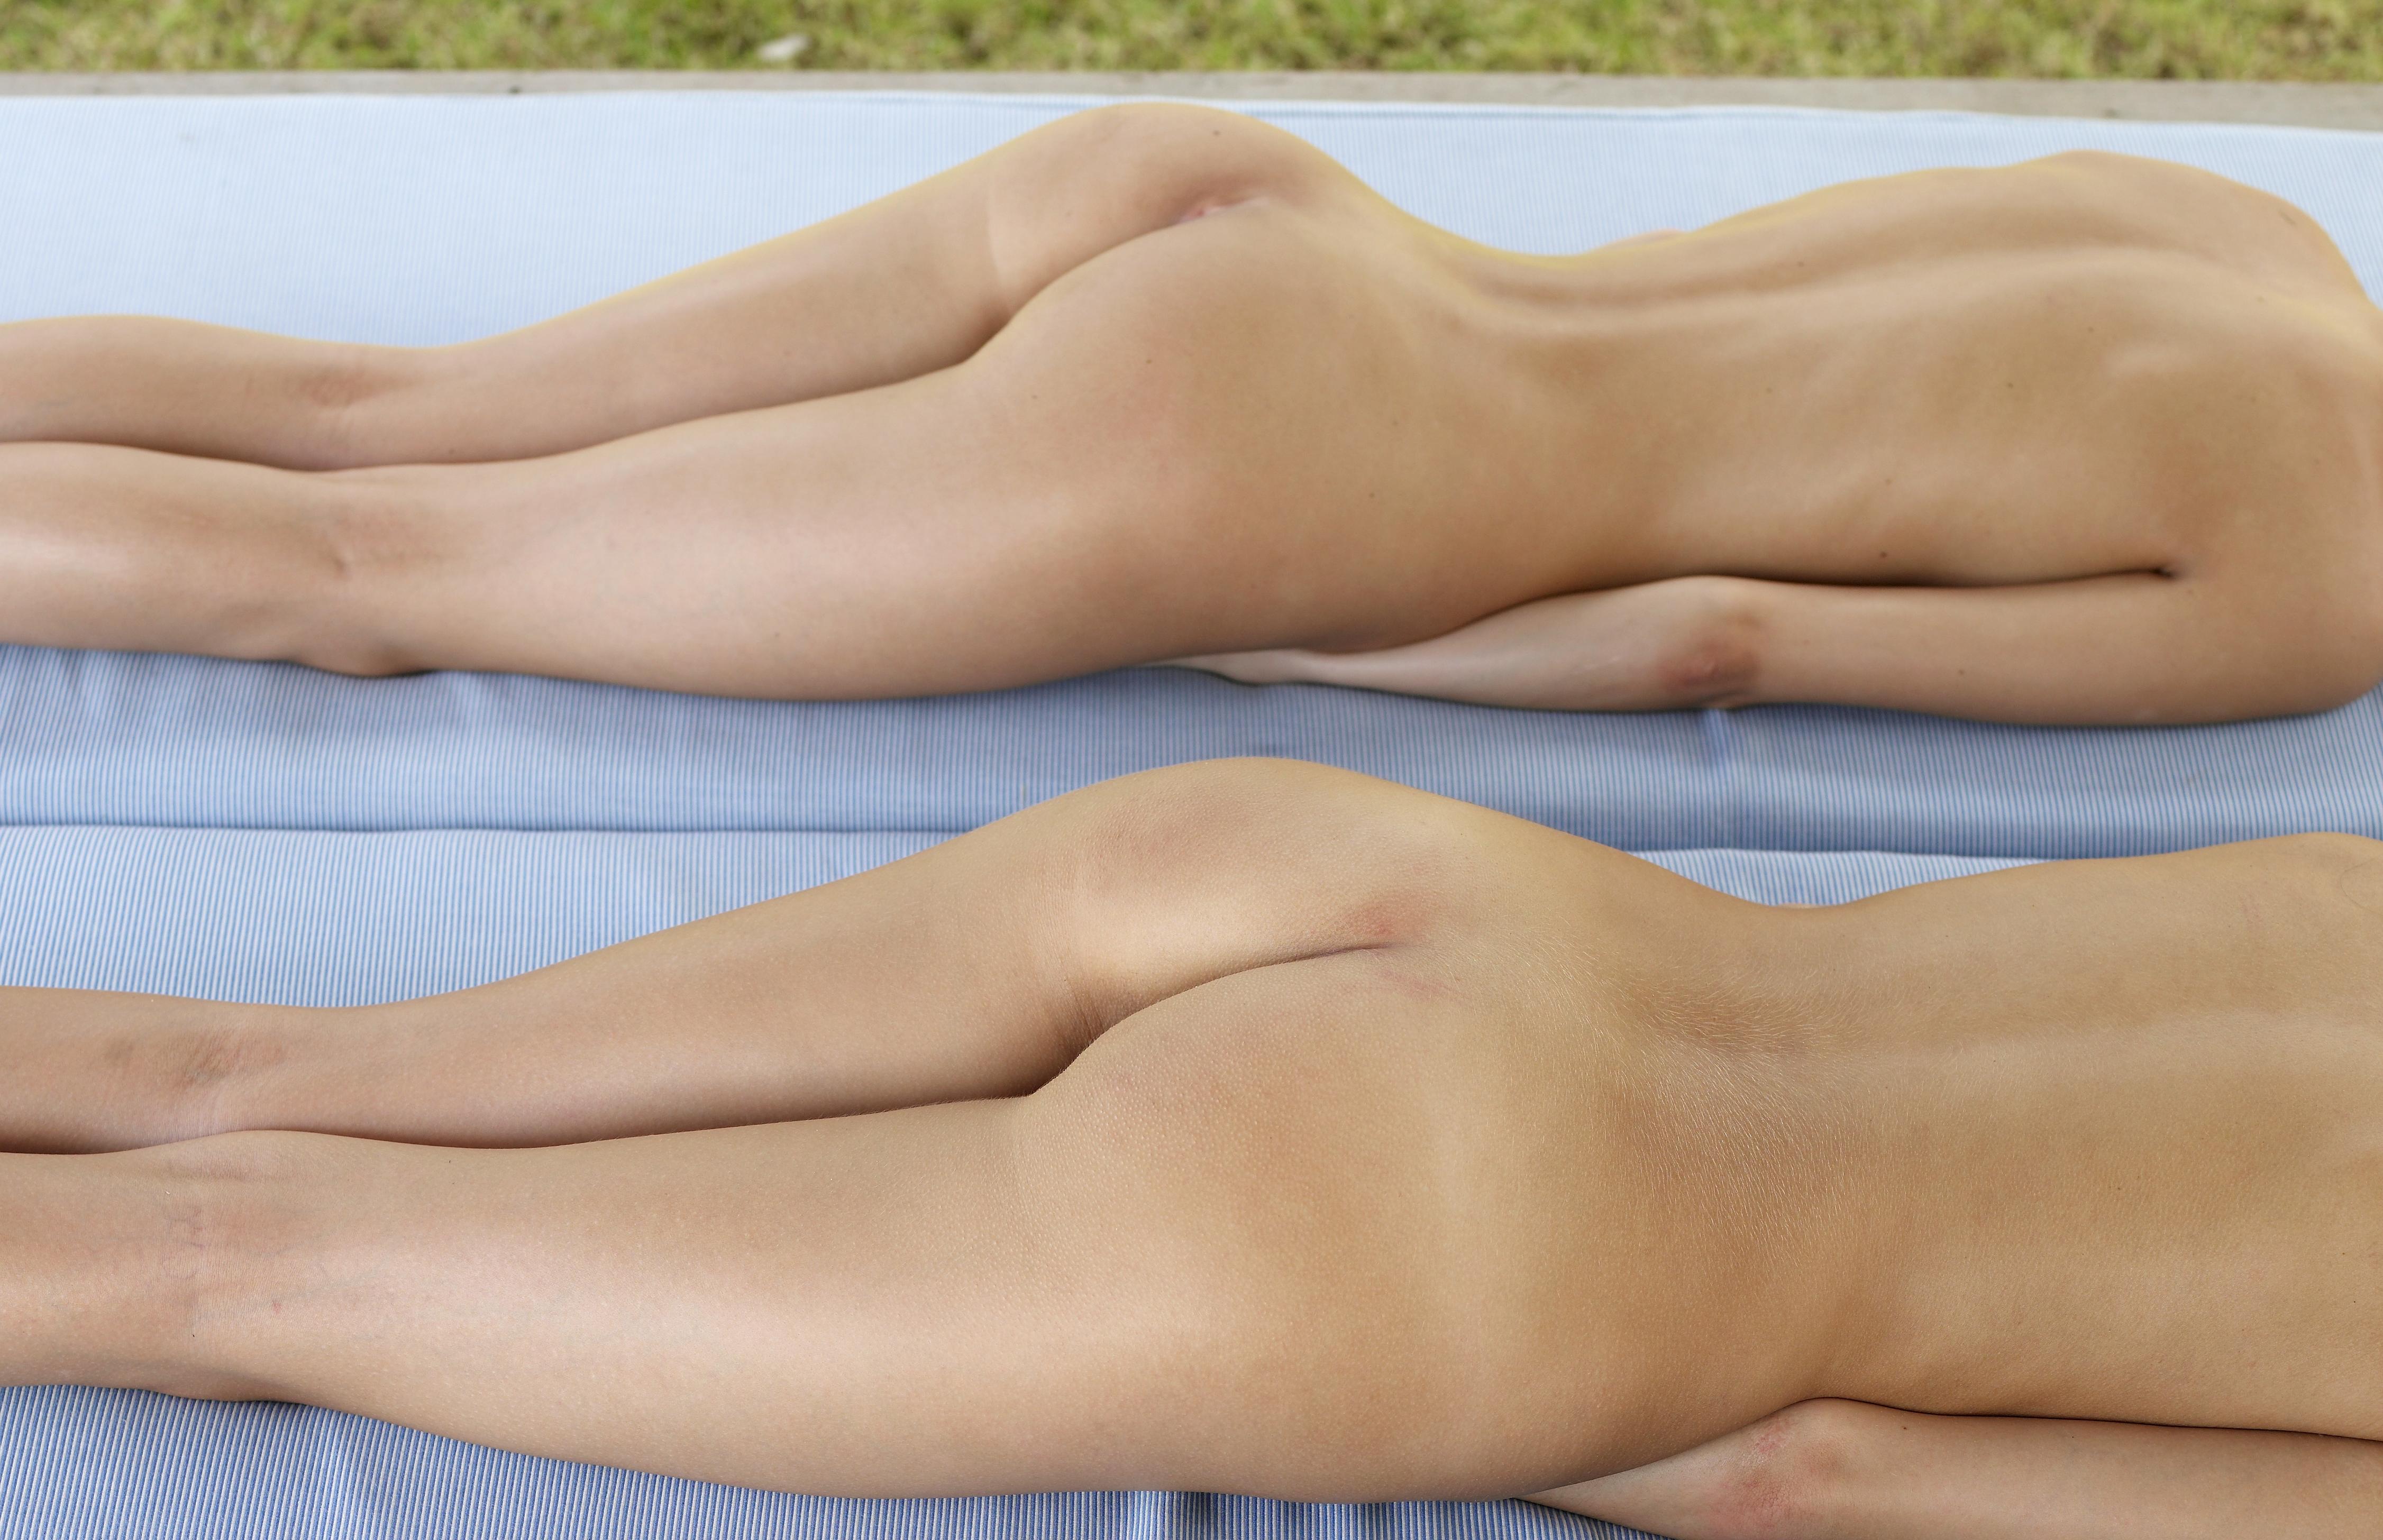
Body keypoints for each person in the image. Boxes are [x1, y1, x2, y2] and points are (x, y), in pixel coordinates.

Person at [8, 756, 2383, 1540]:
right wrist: (1441, 1400)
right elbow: (1809, 1474)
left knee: (271, 1078)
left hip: (1420, 894)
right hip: (1464, 1225)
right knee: (246, 1273)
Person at [2, 111, 2378, 722]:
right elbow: (1719, 639)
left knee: (380, 417)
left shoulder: (2257, 233)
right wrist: (1294, 648)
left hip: (1262, 216)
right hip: (1290, 470)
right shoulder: (2321, 584)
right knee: (372, 581)